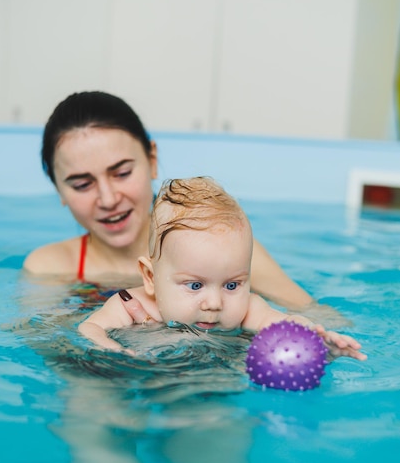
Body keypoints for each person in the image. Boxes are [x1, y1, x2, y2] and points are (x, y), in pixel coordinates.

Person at [23, 91, 319, 312]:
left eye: (122, 173)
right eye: (83, 184)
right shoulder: (49, 268)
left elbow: (317, 317)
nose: (109, 199)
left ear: (152, 160)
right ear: (59, 190)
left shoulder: (221, 248)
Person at [79, 177, 366, 361]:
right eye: (194, 285)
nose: (215, 303)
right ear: (151, 277)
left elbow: (283, 323)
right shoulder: (132, 305)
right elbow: (89, 328)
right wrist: (116, 353)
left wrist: (317, 340)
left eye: (232, 285)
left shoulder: (249, 309)